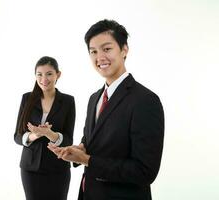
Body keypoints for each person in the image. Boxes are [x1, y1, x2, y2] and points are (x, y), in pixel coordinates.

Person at [48, 19, 164, 200]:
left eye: (107, 49)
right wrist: (79, 149)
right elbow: (93, 141)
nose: (99, 57)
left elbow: (144, 171)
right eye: (93, 51)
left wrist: (87, 160)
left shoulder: (145, 101)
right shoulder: (94, 98)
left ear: (124, 50)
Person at [14, 56, 75, 200]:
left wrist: (49, 134)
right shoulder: (27, 99)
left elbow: (68, 139)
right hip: (30, 168)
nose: (44, 79)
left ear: (58, 75)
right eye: (39, 74)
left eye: (49, 74)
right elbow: (17, 136)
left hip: (58, 168)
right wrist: (34, 135)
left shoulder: (68, 101)